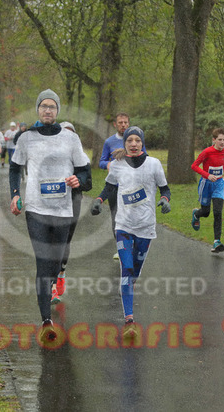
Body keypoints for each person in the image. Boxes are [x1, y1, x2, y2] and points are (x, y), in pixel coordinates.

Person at [9, 89, 91, 343]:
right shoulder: (26, 138)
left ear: (57, 111)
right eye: (43, 106)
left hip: (63, 209)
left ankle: (54, 282)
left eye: (52, 106)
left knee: (56, 261)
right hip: (36, 209)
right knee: (43, 262)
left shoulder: (70, 139)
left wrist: (78, 180)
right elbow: (14, 168)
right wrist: (14, 194)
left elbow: (85, 172)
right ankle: (46, 321)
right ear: (38, 109)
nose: (47, 110)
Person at [91, 126, 171, 337]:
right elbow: (109, 187)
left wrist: (165, 199)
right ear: (124, 143)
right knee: (126, 269)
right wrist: (99, 200)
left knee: (134, 271)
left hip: (146, 226)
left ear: (142, 143)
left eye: (137, 140)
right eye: (129, 140)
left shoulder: (154, 164)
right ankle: (129, 320)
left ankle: (127, 287)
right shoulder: (117, 165)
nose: (133, 144)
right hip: (124, 225)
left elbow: (165, 188)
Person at [50, 121, 92, 305]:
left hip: (73, 201)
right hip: (51, 202)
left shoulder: (81, 157)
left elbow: (88, 184)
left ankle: (61, 272)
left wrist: (78, 182)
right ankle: (52, 287)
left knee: (65, 240)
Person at [99, 113, 144, 260]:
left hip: (132, 185)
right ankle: (121, 248)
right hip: (115, 186)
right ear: (115, 124)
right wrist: (108, 164)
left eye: (125, 122)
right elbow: (101, 161)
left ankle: (133, 246)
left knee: (133, 216)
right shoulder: (109, 142)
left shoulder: (136, 140)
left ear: (129, 123)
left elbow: (145, 157)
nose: (123, 125)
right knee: (117, 217)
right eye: (120, 122)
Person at [190, 128, 224, 253]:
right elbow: (194, 166)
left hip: (218, 184)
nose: (222, 142)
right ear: (214, 140)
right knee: (206, 212)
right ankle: (196, 214)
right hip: (206, 184)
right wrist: (207, 175)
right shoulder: (207, 152)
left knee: (218, 212)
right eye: (220, 140)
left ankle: (217, 241)